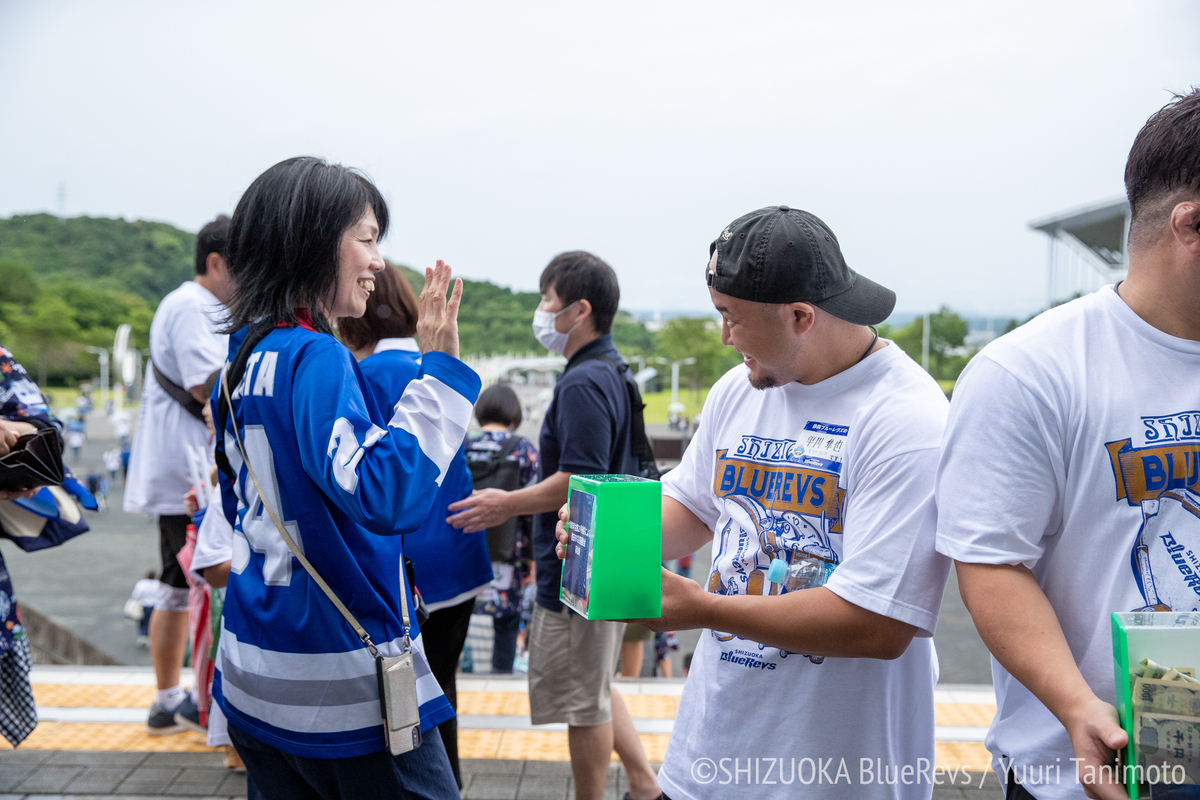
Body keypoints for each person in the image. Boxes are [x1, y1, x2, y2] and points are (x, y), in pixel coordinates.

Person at [556, 207, 952, 799]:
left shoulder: (906, 418)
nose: (722, 337)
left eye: (730, 318)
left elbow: (879, 623)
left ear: (800, 316)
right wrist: (609, 533)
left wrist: (704, 609)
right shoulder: (739, 390)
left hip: (836, 774)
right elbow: (694, 506)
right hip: (710, 757)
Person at [935, 90, 1200, 800]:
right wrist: (1078, 706)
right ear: (1191, 224)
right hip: (1090, 774)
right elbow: (990, 562)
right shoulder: (1030, 372)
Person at [212, 156, 479, 800]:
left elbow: (234, 496)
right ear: (312, 243)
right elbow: (386, 494)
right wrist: (440, 370)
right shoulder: (315, 352)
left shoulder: (243, 356)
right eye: (366, 238)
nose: (378, 261)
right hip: (341, 686)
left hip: (254, 664)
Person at [447, 251, 660, 800]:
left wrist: (506, 504)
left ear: (578, 310)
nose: (542, 312)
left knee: (584, 704)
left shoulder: (584, 382)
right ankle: (642, 783)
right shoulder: (610, 370)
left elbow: (579, 480)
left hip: (578, 570)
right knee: (595, 685)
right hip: (605, 563)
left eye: (547, 300)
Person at [337, 262, 493, 791]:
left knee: (416, 705)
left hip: (412, 564)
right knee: (444, 684)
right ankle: (456, 782)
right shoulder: (435, 363)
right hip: (461, 552)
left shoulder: (366, 374)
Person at [123, 213, 234, 736]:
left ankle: (172, 697)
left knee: (175, 580)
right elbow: (206, 385)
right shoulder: (194, 305)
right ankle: (171, 700)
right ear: (216, 263)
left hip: (180, 469)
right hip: (185, 474)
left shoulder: (188, 303)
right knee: (178, 582)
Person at [462, 383, 539, 674]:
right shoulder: (523, 449)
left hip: (463, 549)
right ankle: (500, 676)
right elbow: (533, 510)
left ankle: (459, 679)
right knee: (506, 624)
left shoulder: (461, 443)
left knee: (458, 617)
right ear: (513, 413)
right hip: (510, 553)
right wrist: (532, 558)